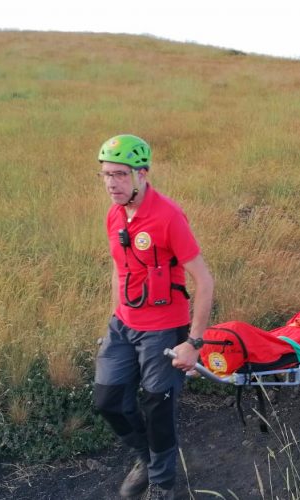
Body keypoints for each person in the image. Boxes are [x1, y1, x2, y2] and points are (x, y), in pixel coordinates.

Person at [93, 134, 214, 500]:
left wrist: (193, 343)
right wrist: (118, 317)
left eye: (119, 174)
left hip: (164, 329)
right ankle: (146, 460)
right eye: (105, 175)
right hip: (124, 325)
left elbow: (205, 281)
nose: (111, 183)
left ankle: (162, 484)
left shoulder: (168, 217)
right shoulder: (115, 214)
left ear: (141, 174)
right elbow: (119, 268)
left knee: (156, 407)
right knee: (107, 401)